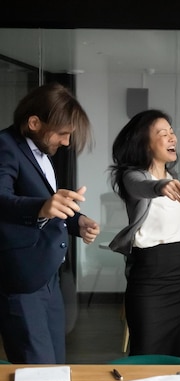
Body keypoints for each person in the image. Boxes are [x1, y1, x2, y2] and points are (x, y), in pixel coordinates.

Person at [0, 83, 101, 364]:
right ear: (34, 122)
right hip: (22, 282)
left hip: (49, 279)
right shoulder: (5, 146)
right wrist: (41, 207)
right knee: (37, 371)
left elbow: (48, 203)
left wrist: (77, 222)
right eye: (63, 134)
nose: (67, 142)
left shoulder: (40, 151)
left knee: (55, 367)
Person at [108, 109, 180, 362]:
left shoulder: (174, 178)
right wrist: (160, 187)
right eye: (163, 134)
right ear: (144, 143)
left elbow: (175, 218)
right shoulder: (133, 177)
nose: (172, 137)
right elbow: (143, 188)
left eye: (172, 132)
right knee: (147, 359)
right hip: (150, 282)